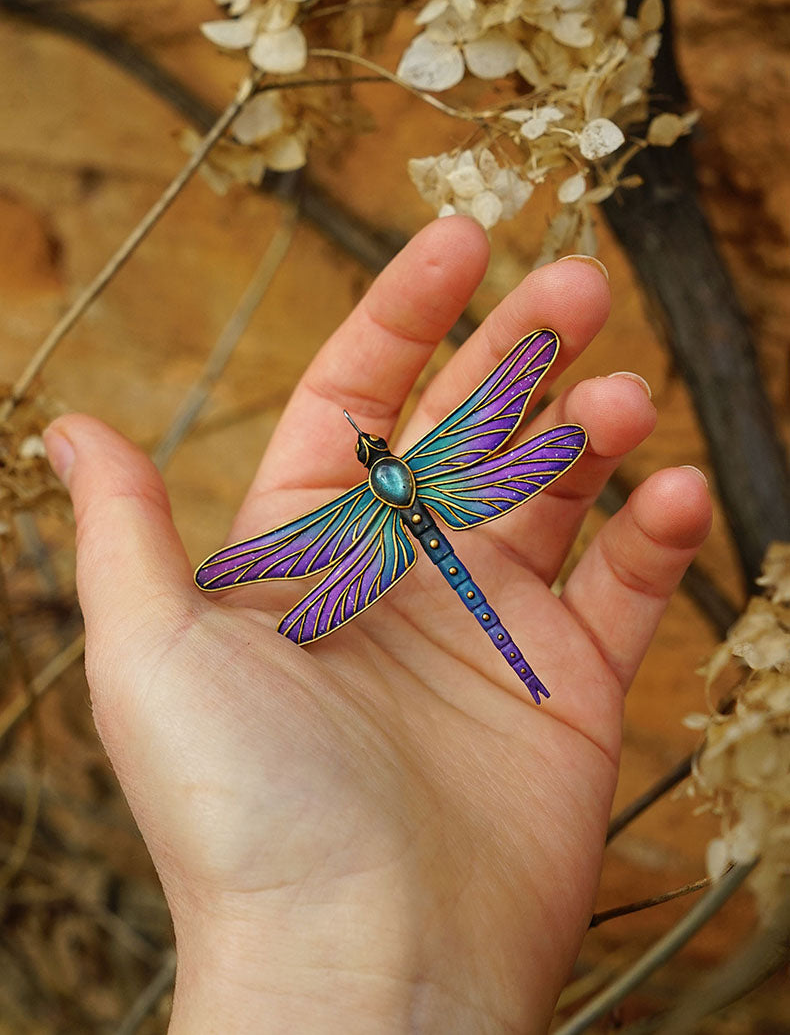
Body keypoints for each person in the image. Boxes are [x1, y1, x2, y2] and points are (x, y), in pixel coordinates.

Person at [43, 217, 712, 1033]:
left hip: (401, 535)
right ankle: (524, 671)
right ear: (389, 460)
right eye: (375, 455)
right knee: (566, 425)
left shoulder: (358, 514)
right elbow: (514, 400)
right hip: (453, 502)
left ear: (374, 468)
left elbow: (248, 565)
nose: (375, 457)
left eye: (373, 454)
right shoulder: (430, 466)